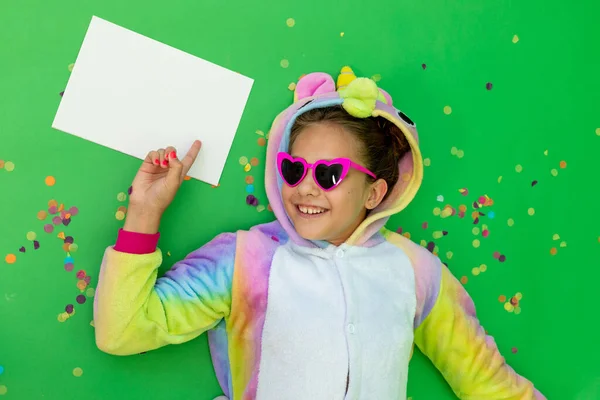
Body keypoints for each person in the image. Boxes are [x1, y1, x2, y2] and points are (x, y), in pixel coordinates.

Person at [94, 67, 546, 400]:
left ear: (375, 191)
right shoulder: (245, 259)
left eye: (329, 173)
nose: (304, 187)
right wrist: (144, 212)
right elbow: (123, 332)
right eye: (294, 169)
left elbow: (487, 381)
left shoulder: (415, 272)